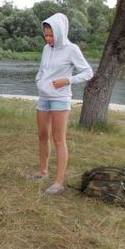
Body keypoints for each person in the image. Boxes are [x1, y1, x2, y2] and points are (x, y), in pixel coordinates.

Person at [32, 13, 93, 194]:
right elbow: (42, 70)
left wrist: (67, 80)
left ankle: (59, 183)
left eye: (51, 35)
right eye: (46, 35)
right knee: (42, 135)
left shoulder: (71, 49)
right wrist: (39, 82)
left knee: (58, 139)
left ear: (60, 32)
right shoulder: (46, 49)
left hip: (60, 98)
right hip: (44, 97)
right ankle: (43, 171)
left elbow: (88, 72)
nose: (48, 38)